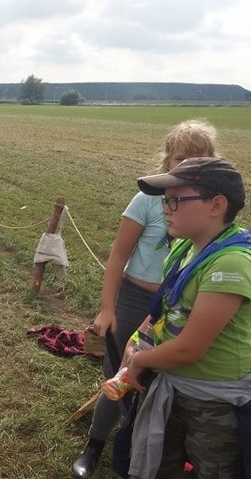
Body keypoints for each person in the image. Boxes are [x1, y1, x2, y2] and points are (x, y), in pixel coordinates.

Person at [72, 120, 219, 479]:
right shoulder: (148, 199)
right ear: (167, 159)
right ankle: (94, 444)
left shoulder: (209, 206)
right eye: (180, 158)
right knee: (119, 374)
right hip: (136, 299)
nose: (186, 166)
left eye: (197, 159)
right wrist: (108, 308)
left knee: (159, 377)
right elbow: (118, 255)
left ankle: (142, 445)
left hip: (179, 303)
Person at [121, 157, 251, 478]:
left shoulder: (230, 264)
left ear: (216, 205)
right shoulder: (184, 249)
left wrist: (141, 361)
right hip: (176, 385)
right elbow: (163, 308)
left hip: (214, 403)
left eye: (175, 200)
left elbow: (189, 349)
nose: (165, 208)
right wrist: (136, 340)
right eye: (166, 200)